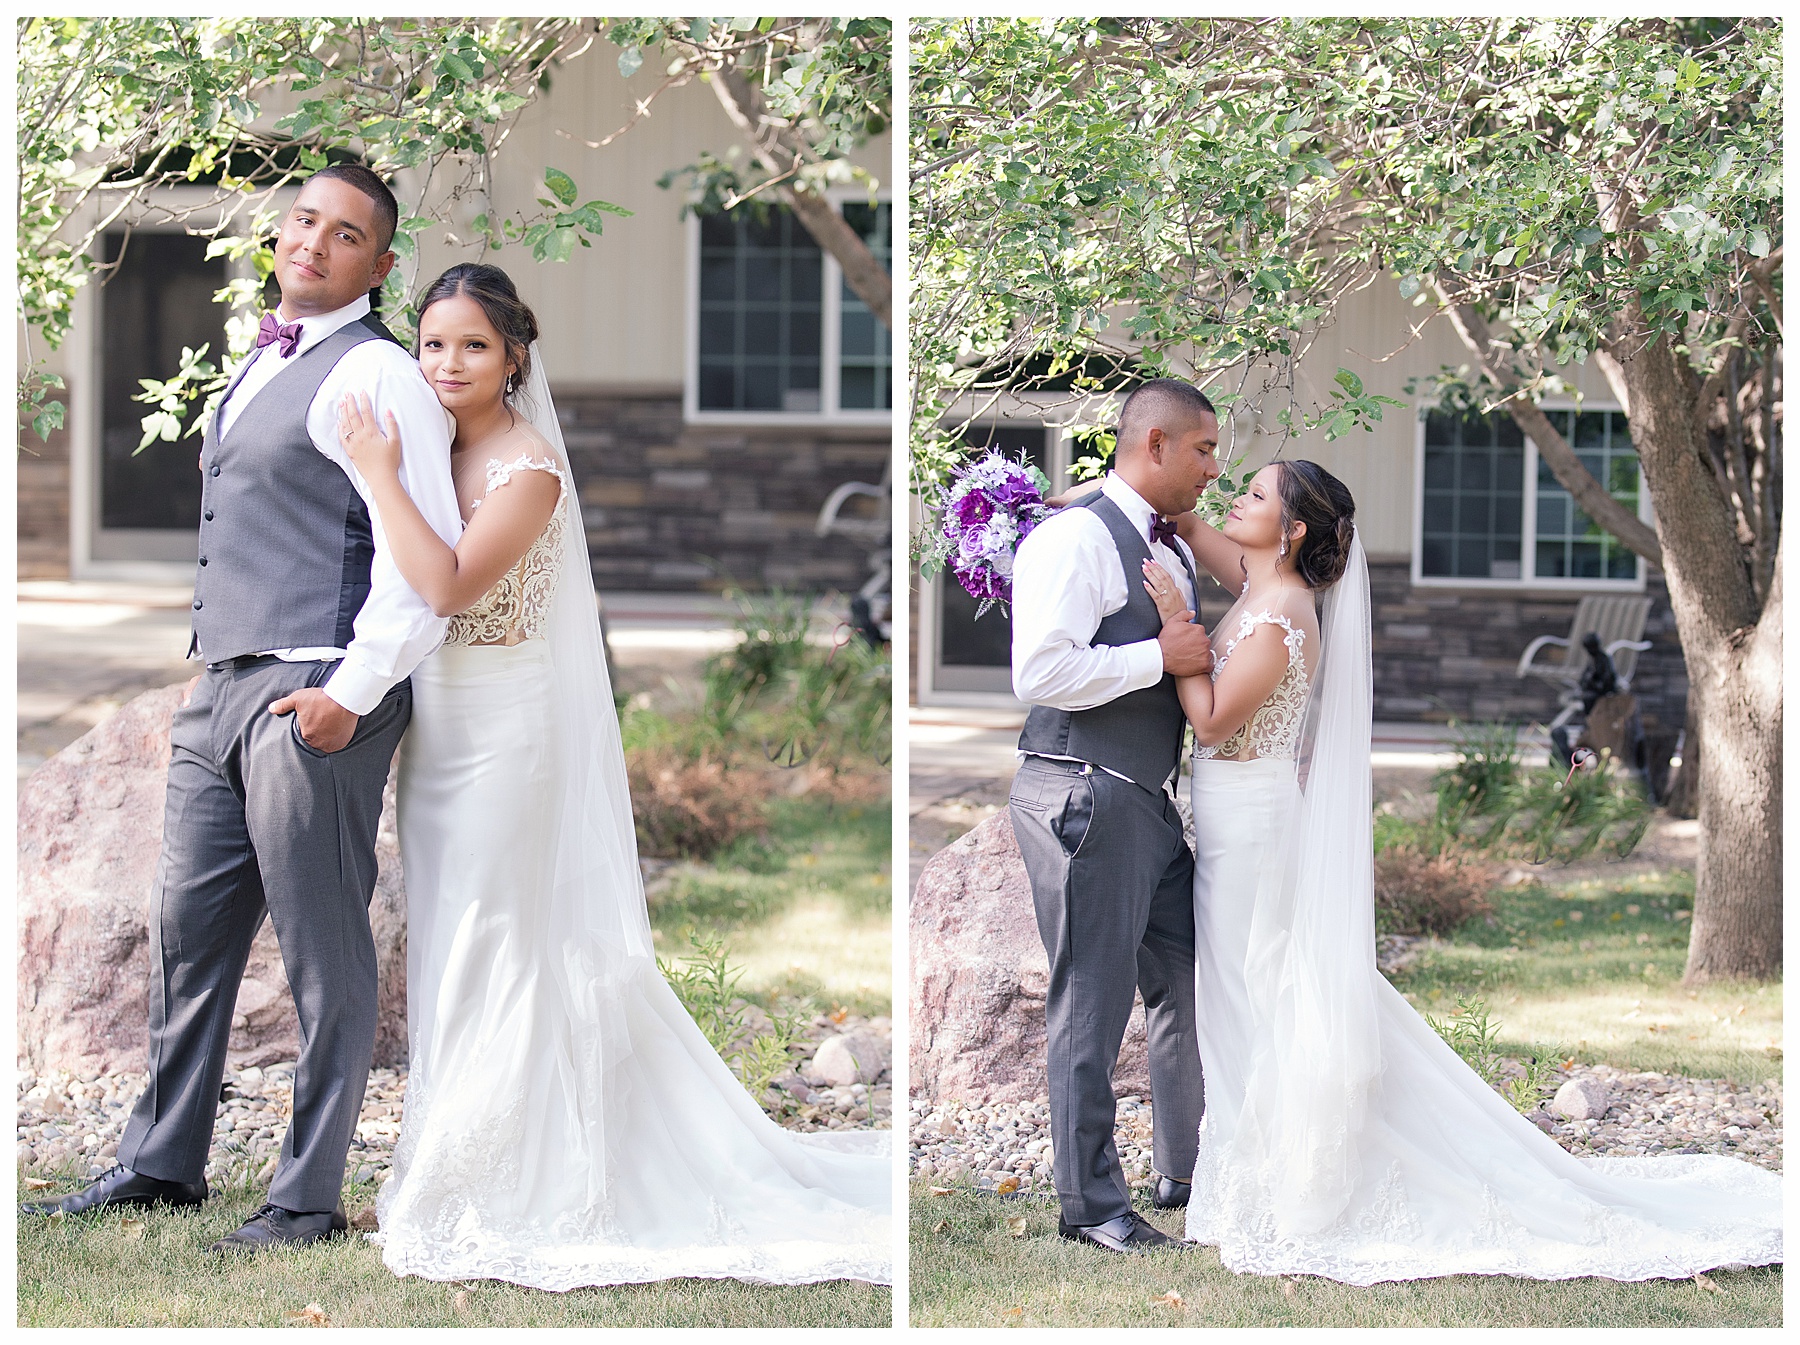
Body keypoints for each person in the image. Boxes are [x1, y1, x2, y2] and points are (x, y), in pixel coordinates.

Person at [334, 262, 891, 1290]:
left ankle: (505, 1178)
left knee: (501, 941)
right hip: (439, 732)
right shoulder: (427, 450)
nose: (448, 362)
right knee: (454, 932)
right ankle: (462, 1153)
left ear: (514, 357)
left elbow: (450, 582)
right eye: (433, 343)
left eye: (472, 345)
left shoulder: (526, 467)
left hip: (509, 729)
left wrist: (373, 474)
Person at [1140, 457, 1783, 1283]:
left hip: (1254, 833)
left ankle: (1284, 1181)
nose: (1237, 498)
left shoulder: (1280, 619)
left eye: (1256, 494)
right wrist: (1157, 509)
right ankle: (1258, 1172)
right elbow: (1204, 533)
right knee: (1249, 994)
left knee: (1259, 995)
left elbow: (1217, 724)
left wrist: (1179, 637)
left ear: (1293, 531)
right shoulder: (1266, 583)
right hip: (1238, 825)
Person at [20, 166, 464, 1254]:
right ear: (280, 231)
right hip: (218, 687)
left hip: (313, 691)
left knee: (324, 951)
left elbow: (424, 566)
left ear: (380, 264)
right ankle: (161, 1162)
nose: (315, 242)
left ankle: (305, 1196)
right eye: (305, 220)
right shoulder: (263, 359)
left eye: (346, 234)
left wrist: (345, 699)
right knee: (187, 931)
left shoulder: (382, 376)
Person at [1005, 378, 1218, 1253]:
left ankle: (1184, 1170)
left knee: (1186, 974)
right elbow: (1041, 673)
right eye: (1204, 449)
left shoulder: (1156, 543)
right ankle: (1091, 1205)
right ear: (1156, 443)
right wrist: (1156, 656)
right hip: (1086, 790)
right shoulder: (1076, 539)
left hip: (1144, 799)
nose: (1214, 466)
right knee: (1089, 1001)